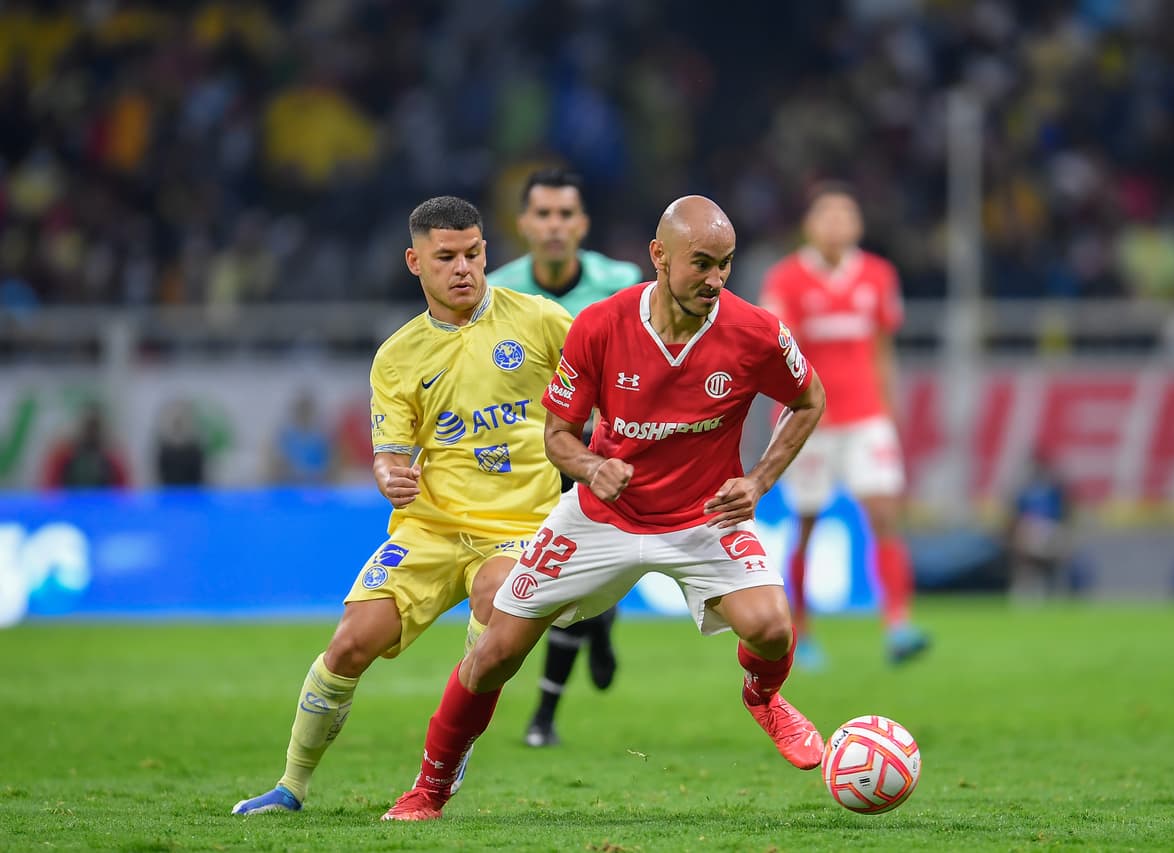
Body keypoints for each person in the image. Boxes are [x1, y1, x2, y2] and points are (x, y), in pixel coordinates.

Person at [380, 195, 828, 822]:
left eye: (725, 264)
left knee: (773, 627)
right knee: (494, 654)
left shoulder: (755, 332)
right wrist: (592, 467)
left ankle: (764, 697)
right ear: (659, 255)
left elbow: (809, 400)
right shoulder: (600, 325)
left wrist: (757, 483)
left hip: (702, 516)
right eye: (701, 263)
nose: (716, 280)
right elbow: (557, 436)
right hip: (600, 516)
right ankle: (429, 789)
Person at [231, 195, 573, 815]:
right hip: (430, 529)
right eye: (446, 257)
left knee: (494, 602)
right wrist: (390, 477)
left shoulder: (542, 320)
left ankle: (447, 757)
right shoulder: (397, 355)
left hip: (520, 527)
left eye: (473, 253)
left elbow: (601, 389)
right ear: (415, 262)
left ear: (486, 252)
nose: (463, 267)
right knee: (349, 645)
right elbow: (390, 454)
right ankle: (291, 786)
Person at [488, 167, 643, 748]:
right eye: (543, 214)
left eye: (565, 215)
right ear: (524, 224)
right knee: (562, 580)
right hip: (532, 453)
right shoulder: (497, 291)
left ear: (582, 224)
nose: (554, 225)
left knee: (574, 574)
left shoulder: (621, 282)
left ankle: (543, 718)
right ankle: (600, 629)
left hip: (600, 449)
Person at [759, 182, 928, 668]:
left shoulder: (877, 275)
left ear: (858, 224)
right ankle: (803, 632)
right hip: (808, 420)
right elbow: (775, 353)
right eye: (826, 215)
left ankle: (898, 624)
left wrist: (890, 410)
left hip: (866, 416)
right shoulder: (786, 279)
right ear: (809, 225)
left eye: (845, 214)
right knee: (806, 524)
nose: (836, 223)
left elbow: (882, 350)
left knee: (885, 514)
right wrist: (793, 406)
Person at [1005, 447, 1073, 600]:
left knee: (1052, 564)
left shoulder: (1054, 489)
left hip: (1049, 529)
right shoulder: (1025, 490)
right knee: (1027, 566)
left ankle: (1052, 593)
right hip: (1031, 529)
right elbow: (1015, 515)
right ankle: (1025, 594)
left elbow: (1065, 511)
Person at [41, 402, 130, 489]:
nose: (91, 432)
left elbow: (123, 491)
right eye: (88, 426)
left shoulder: (111, 459)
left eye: (95, 427)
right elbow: (50, 489)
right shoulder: (64, 456)